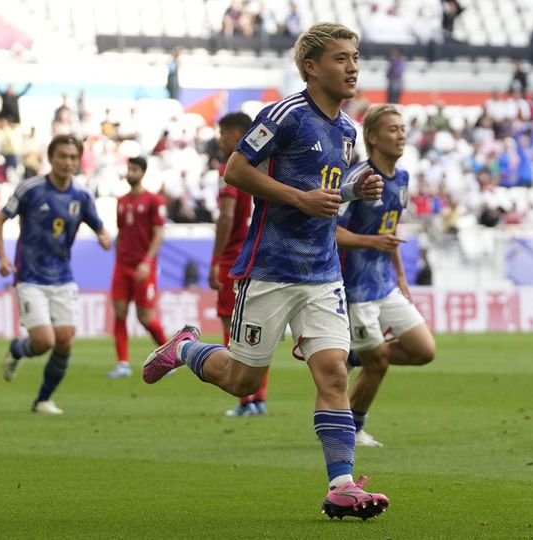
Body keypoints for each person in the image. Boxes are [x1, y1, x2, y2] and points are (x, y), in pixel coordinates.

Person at [141, 23, 389, 519]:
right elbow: (235, 169)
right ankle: (185, 348)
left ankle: (340, 484)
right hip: (271, 268)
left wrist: (352, 193)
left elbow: (324, 196)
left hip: (322, 272)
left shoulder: (345, 130)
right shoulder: (284, 115)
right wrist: (300, 197)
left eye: (355, 57)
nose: (353, 66)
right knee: (240, 379)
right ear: (311, 67)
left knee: (334, 371)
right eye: (341, 58)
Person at [336, 104, 436, 447]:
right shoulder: (356, 180)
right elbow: (328, 232)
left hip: (385, 284)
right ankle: (352, 428)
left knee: (424, 350)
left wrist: (403, 279)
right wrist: (370, 241)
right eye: (392, 129)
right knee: (378, 363)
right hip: (355, 289)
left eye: (403, 128)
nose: (401, 134)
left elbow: (389, 232)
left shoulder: (403, 179)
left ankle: (351, 354)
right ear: (374, 137)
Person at [0, 134, 112, 413]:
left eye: (73, 157)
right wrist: (1, 257)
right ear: (51, 158)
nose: (68, 162)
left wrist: (104, 237)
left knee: (65, 341)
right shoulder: (30, 189)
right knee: (44, 341)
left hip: (63, 276)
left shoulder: (81, 195)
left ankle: (43, 400)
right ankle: (17, 349)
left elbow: (98, 226)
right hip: (30, 277)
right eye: (63, 156)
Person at [207, 111, 270, 417]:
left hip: (236, 257)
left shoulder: (233, 168)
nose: (220, 139)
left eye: (224, 133)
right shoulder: (264, 166)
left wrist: (216, 259)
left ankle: (245, 400)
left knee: (230, 326)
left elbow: (227, 215)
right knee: (259, 329)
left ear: (237, 134)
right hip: (262, 255)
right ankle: (259, 398)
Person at [107, 157, 169, 379]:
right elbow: (122, 232)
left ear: (142, 172)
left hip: (144, 267)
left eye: (134, 169)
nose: (130, 173)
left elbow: (159, 233)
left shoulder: (154, 200)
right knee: (120, 313)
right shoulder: (122, 201)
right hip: (122, 265)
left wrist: (147, 262)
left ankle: (169, 354)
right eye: (129, 169)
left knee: (145, 317)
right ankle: (123, 363)